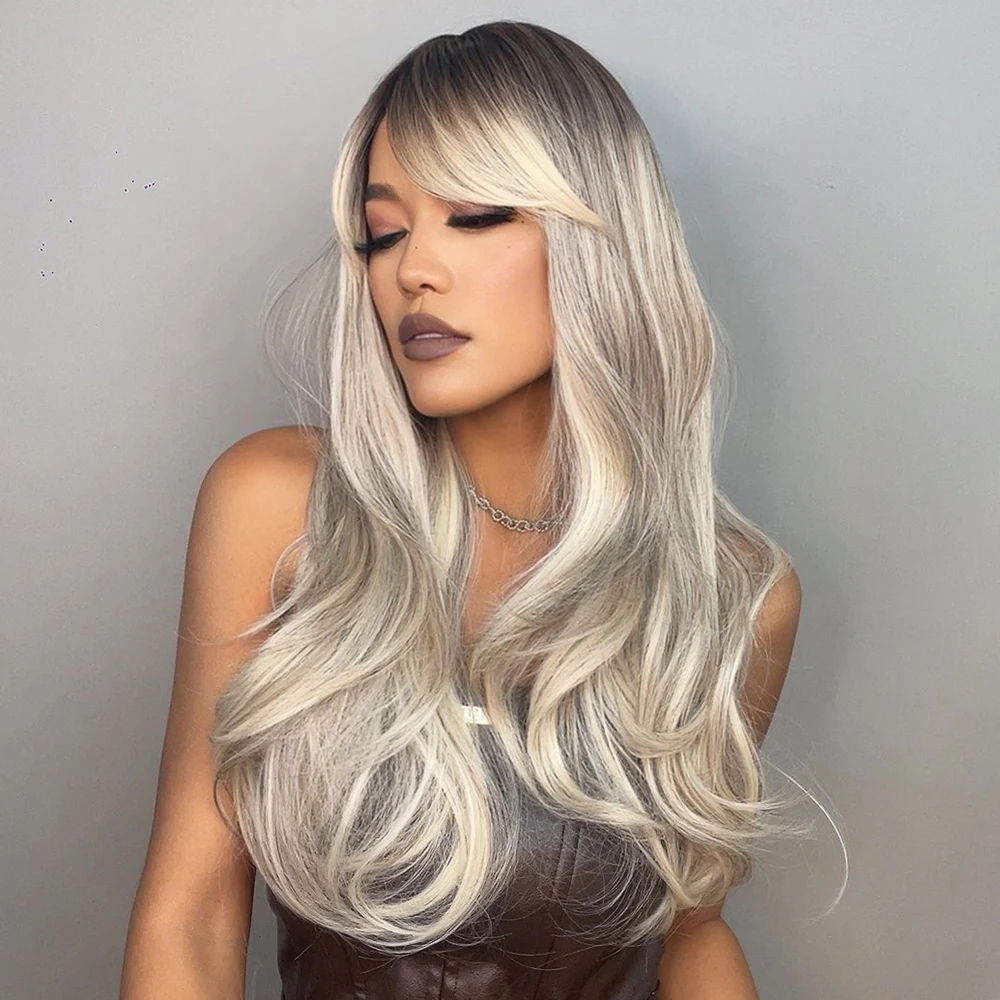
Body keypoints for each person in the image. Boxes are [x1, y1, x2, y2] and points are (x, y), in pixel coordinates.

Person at [121, 19, 802, 1000]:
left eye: (475, 216)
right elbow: (188, 918)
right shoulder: (279, 509)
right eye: (383, 232)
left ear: (601, 237)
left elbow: (689, 928)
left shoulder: (734, 595)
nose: (412, 270)